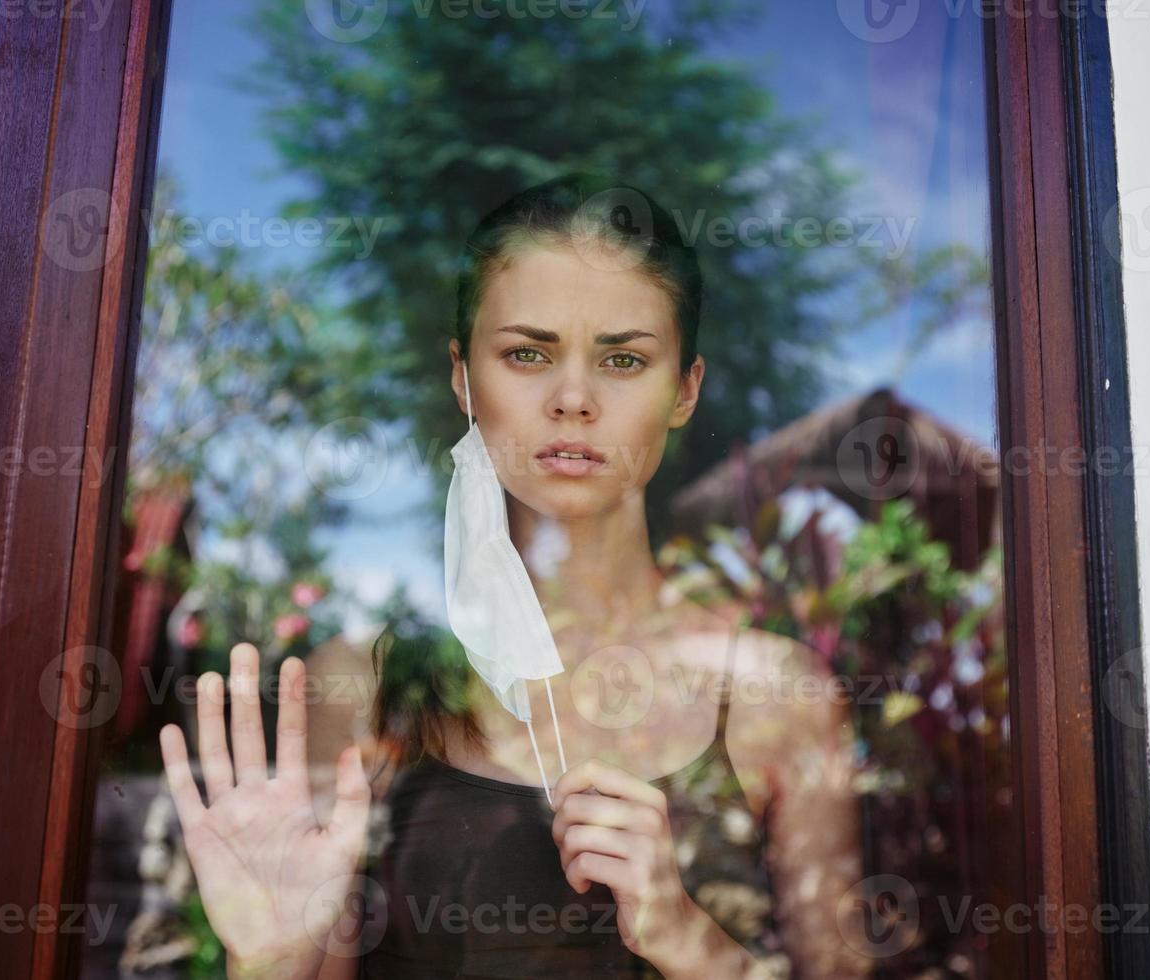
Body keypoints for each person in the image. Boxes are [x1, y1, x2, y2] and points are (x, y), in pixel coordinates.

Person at [160, 174, 871, 979]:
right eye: (527, 353)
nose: (573, 398)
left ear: (684, 390)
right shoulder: (363, 688)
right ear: (464, 379)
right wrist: (270, 960)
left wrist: (687, 938)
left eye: (624, 358)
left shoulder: (773, 694)